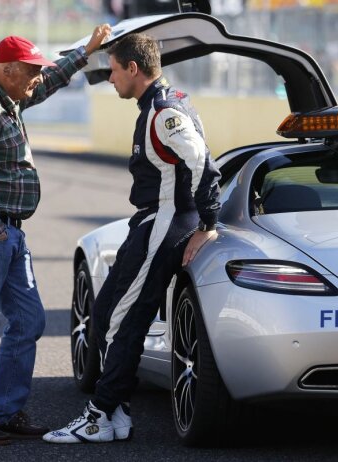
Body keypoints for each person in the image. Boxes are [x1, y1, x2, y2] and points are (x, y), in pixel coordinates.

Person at [43, 33, 221, 444]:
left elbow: (203, 165)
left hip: (166, 222)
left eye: (114, 70)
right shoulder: (158, 104)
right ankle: (118, 411)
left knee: (124, 320)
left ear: (134, 70)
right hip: (149, 223)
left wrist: (207, 223)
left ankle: (100, 416)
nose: (109, 79)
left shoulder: (165, 111)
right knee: (105, 312)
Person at [0, 24, 113, 446]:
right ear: (7, 70)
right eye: (31, 70)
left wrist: (85, 51)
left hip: (7, 231)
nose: (38, 77)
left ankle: (3, 412)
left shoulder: (10, 99)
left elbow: (52, 78)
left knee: (28, 320)